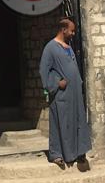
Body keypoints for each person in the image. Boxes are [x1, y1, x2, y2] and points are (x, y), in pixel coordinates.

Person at [39, 18, 91, 171]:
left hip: (74, 94)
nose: (73, 33)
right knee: (60, 122)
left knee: (77, 121)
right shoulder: (50, 48)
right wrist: (56, 83)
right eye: (71, 31)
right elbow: (43, 70)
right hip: (61, 95)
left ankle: (79, 152)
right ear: (63, 30)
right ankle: (57, 154)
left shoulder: (68, 47)